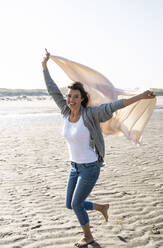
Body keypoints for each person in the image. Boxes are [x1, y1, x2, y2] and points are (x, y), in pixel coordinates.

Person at [42, 49, 156, 247]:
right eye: (69, 96)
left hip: (89, 168)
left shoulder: (91, 114)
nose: (70, 99)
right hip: (74, 167)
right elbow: (53, 90)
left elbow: (114, 106)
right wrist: (45, 67)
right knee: (70, 204)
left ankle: (88, 236)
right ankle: (101, 207)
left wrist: (140, 97)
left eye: (75, 96)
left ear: (82, 99)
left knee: (76, 204)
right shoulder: (65, 111)